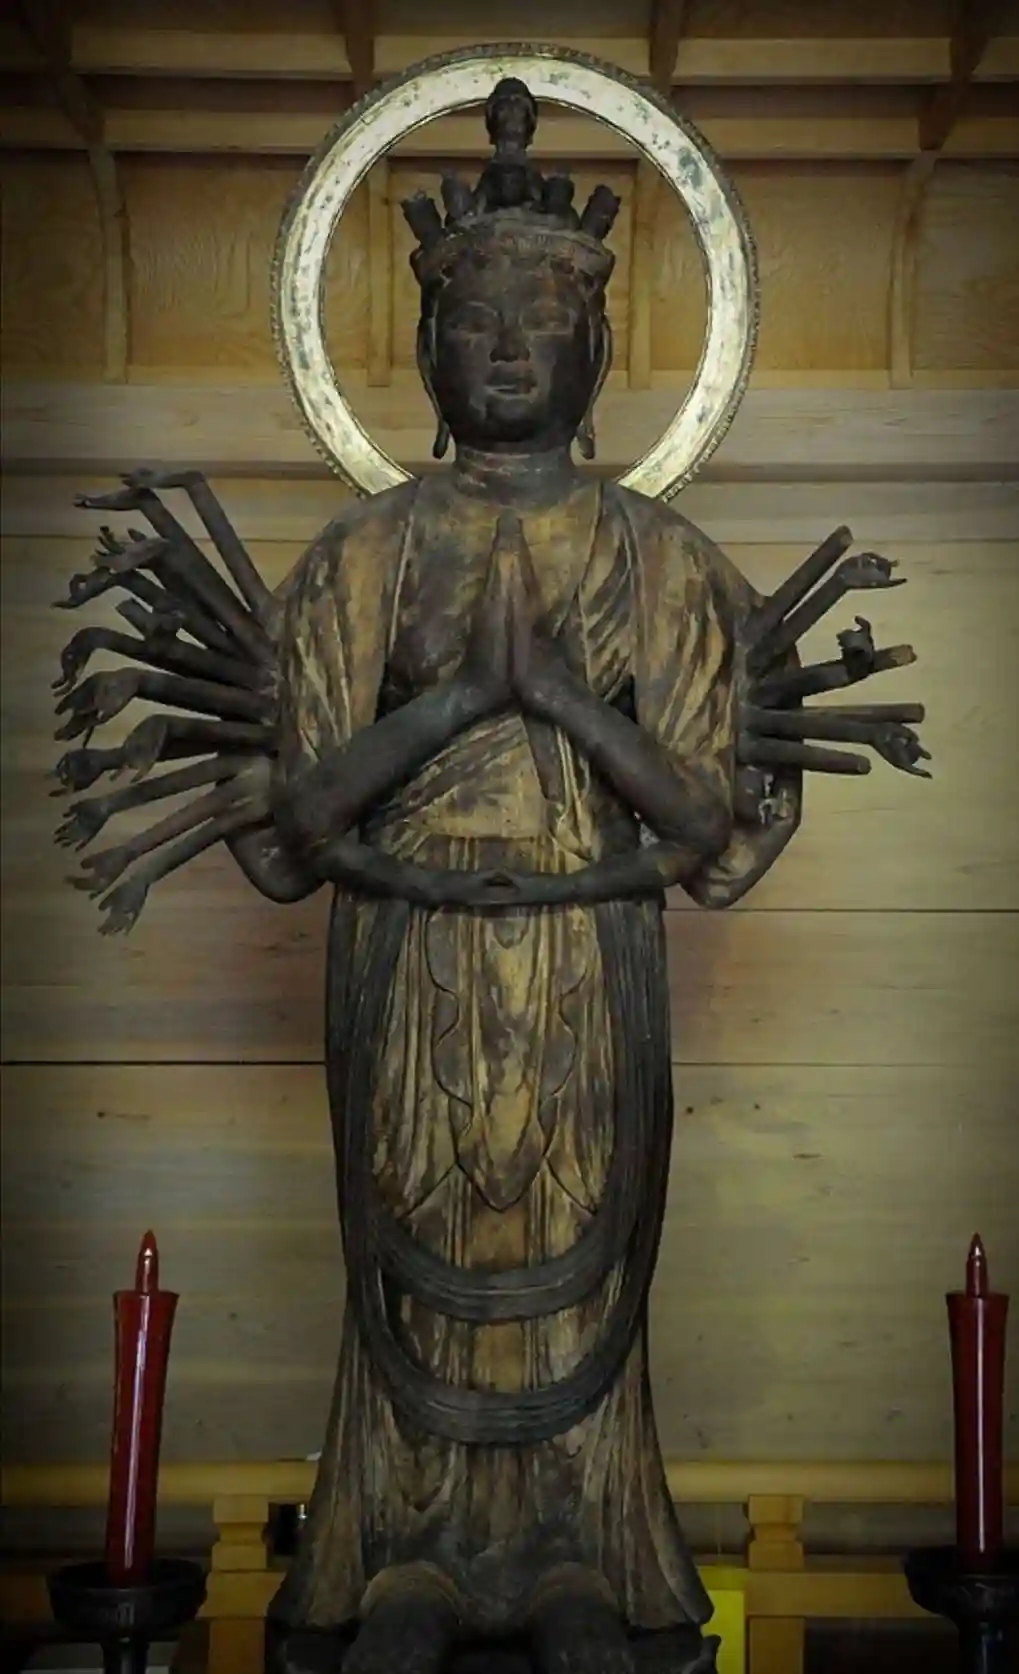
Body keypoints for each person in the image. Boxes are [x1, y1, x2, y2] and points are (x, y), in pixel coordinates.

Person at [222, 80, 800, 1674]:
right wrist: (456, 701)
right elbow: (287, 829)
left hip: (584, 964)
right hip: (407, 956)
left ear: (596, 349)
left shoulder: (660, 560)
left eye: (542, 317)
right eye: (473, 315)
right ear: (425, 345)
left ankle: (575, 1546)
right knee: (411, 1257)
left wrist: (553, 696)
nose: (504, 347)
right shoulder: (361, 553)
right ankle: (400, 1547)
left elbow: (709, 826)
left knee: (579, 1260)